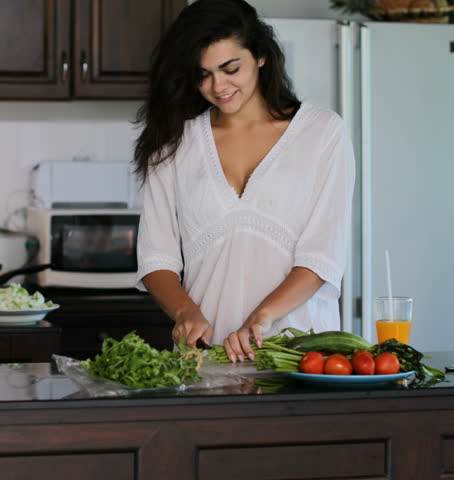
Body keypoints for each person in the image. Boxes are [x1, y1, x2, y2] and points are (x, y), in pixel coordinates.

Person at [133, 0, 355, 363]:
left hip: (301, 359)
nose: (217, 86)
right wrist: (185, 312)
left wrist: (261, 317)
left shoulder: (321, 132)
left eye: (230, 68)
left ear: (261, 56)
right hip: (205, 360)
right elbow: (157, 257)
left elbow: (322, 256)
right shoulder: (173, 141)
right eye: (202, 74)